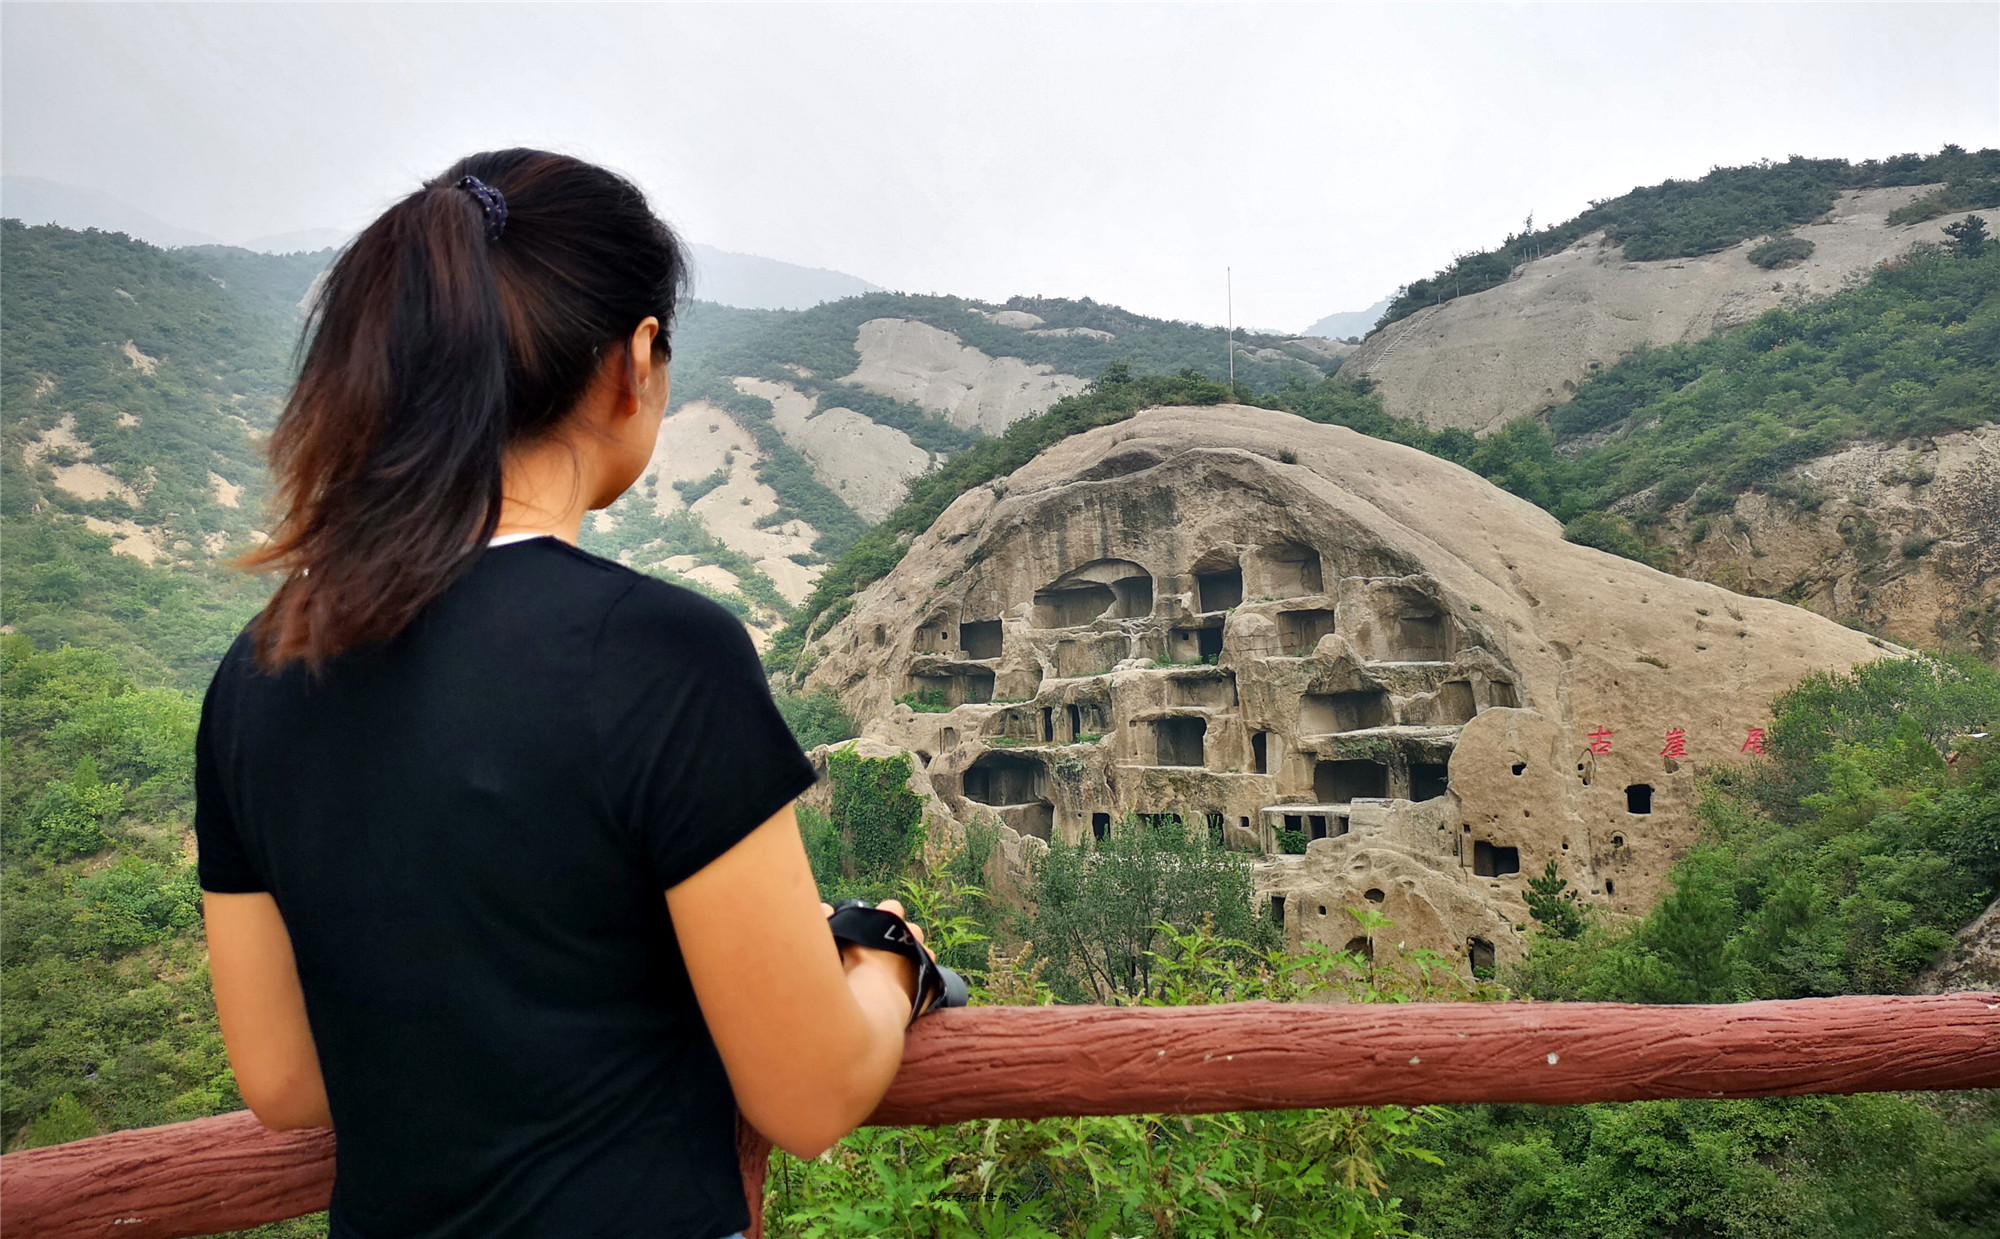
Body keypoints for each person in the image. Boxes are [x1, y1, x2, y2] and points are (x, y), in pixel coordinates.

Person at [196, 149, 927, 1239]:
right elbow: (808, 1097)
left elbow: (287, 1083)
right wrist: (883, 967)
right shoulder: (661, 653)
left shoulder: (258, 671)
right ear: (634, 362)